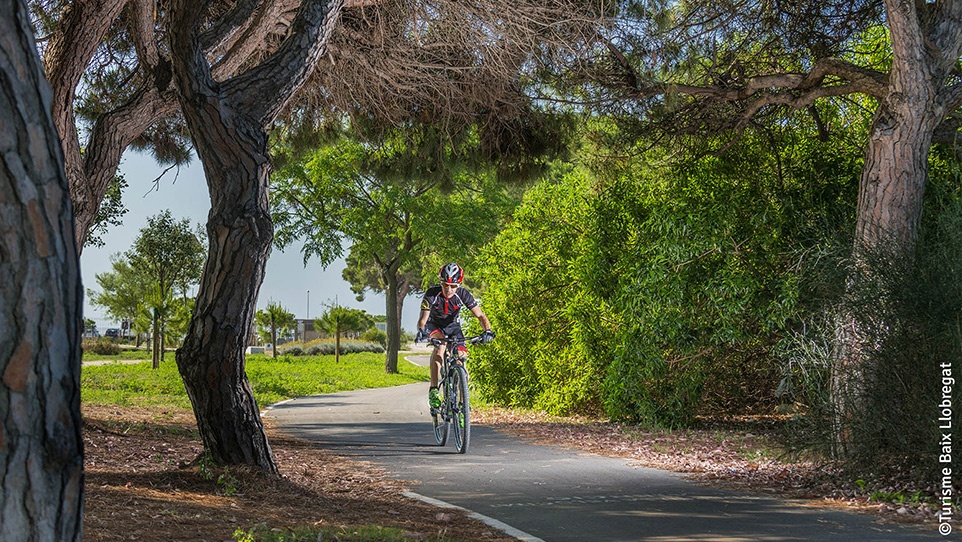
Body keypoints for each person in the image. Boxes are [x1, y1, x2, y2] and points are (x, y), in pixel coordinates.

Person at [416, 262, 495, 409]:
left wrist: (487, 330)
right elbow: (422, 320)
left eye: (453, 286)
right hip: (435, 326)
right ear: (441, 283)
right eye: (446, 285)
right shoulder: (432, 293)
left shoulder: (463, 294)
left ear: (459, 285)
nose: (449, 289)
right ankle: (433, 390)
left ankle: (463, 405)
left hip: (453, 328)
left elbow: (480, 316)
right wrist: (421, 331)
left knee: (461, 358)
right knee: (441, 346)